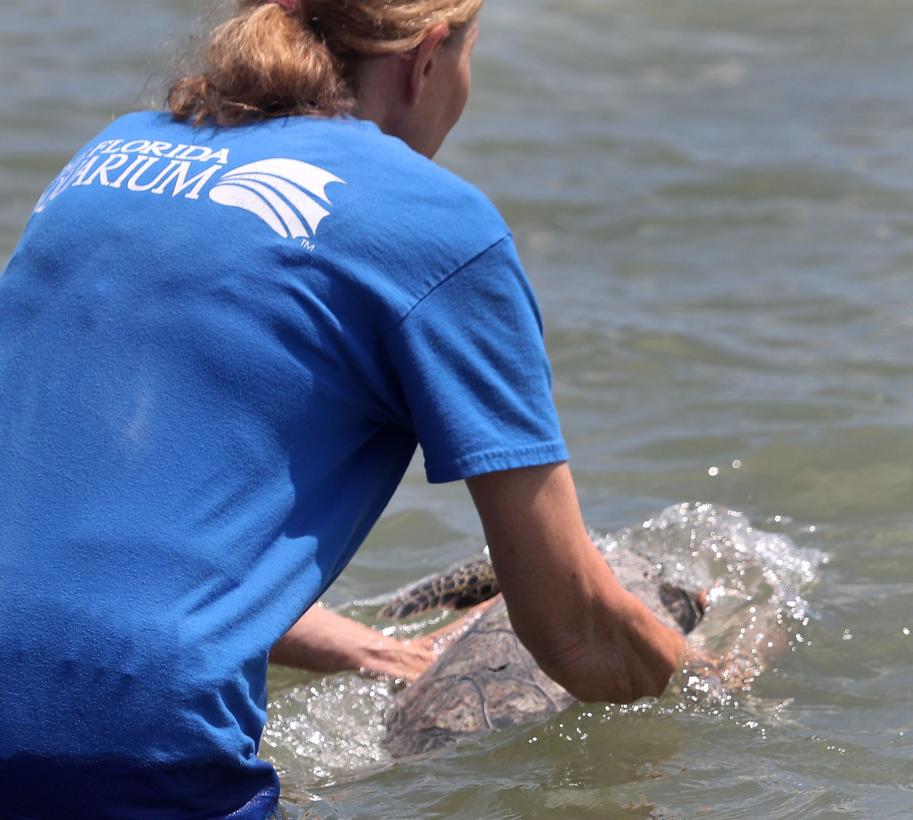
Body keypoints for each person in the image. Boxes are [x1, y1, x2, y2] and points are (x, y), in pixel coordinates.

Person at [0, 0, 689, 816]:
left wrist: (368, 649)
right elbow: (577, 635)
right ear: (429, 57)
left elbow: (85, 531)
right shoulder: (434, 222)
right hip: (125, 741)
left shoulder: (110, 158)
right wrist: (716, 677)